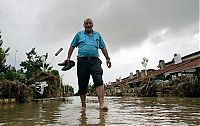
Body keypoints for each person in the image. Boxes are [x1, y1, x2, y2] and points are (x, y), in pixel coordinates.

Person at [66, 18, 111, 110]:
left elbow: (103, 47)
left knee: (98, 80)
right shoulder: (79, 34)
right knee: (82, 83)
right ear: (84, 25)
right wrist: (68, 58)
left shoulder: (97, 35)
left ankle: (102, 104)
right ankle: (83, 105)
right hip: (82, 62)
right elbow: (72, 46)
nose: (88, 25)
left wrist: (107, 58)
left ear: (92, 25)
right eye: (86, 23)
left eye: (90, 23)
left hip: (95, 61)